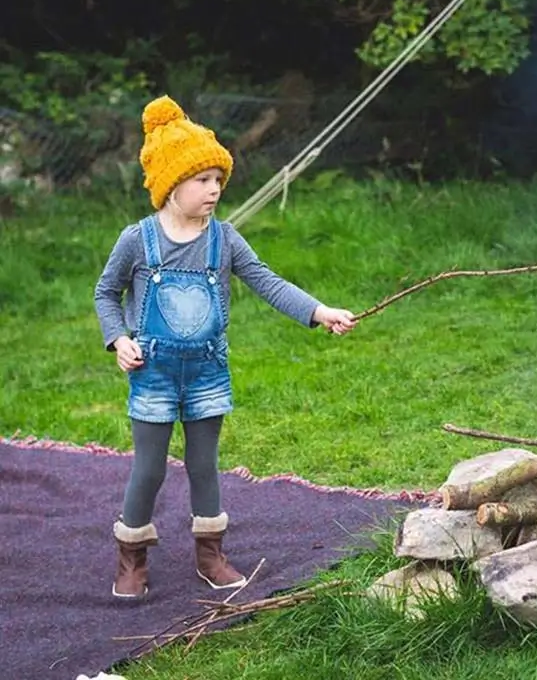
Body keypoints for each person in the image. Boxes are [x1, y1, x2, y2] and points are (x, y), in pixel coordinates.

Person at [94, 95, 356, 599]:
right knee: (148, 468)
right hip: (152, 371)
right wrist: (119, 338)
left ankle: (210, 554)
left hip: (207, 372)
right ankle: (132, 557)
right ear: (171, 185)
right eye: (203, 180)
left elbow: (268, 281)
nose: (215, 189)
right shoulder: (138, 240)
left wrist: (319, 311)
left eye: (219, 179)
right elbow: (106, 292)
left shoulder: (226, 240)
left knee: (203, 464)